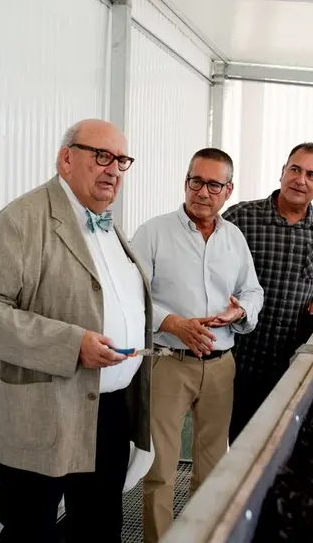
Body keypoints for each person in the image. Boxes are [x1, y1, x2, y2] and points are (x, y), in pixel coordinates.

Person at [0, 118, 153, 543]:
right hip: (43, 412)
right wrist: (72, 344)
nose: (114, 169)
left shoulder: (107, 225)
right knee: (30, 530)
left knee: (98, 528)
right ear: (67, 158)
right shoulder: (21, 221)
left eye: (121, 160)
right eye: (101, 156)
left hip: (109, 412)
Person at [131, 148, 264, 543]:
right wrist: (173, 323)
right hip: (169, 363)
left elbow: (253, 291)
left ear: (228, 190)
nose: (202, 192)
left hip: (221, 366)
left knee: (212, 467)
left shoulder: (234, 238)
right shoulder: (153, 232)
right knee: (161, 469)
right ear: (185, 181)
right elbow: (132, 294)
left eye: (213, 185)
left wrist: (239, 313)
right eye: (196, 181)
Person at [223, 142, 313, 443]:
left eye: (311, 175)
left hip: (291, 364)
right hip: (237, 359)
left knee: (280, 447)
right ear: (282, 172)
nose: (300, 179)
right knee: (236, 446)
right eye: (295, 169)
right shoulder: (240, 218)